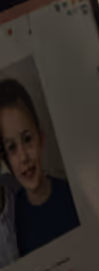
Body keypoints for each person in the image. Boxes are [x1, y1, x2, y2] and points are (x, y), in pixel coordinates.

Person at [0, 78, 79, 256]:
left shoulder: (71, 197)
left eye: (27, 139)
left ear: (41, 139)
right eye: (12, 148)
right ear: (6, 161)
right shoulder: (13, 218)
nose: (23, 157)